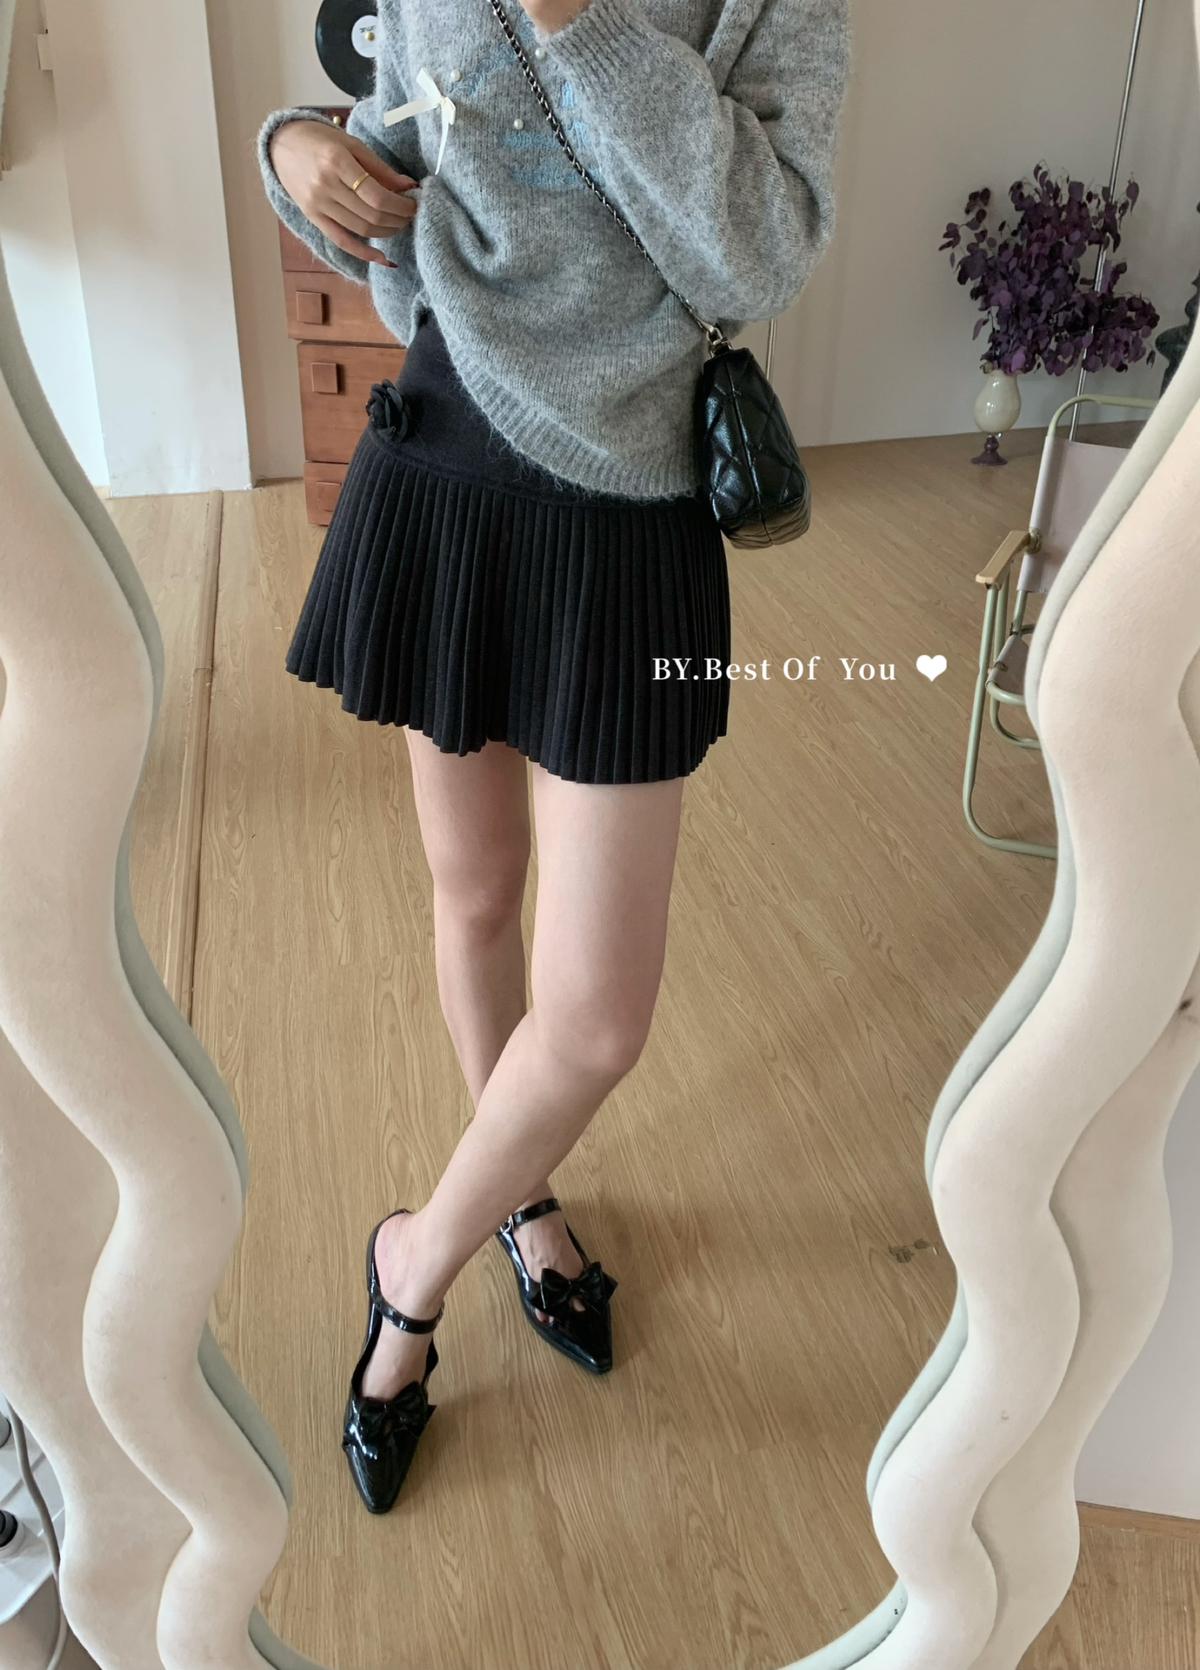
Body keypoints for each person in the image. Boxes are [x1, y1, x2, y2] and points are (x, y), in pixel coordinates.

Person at [259, 0, 849, 1514]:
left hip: (629, 518)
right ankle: (522, 1209)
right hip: (446, 464)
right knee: (472, 897)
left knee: (594, 1016)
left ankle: (412, 1267)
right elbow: (390, 167)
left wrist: (579, 24)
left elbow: (759, 254)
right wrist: (295, 151)